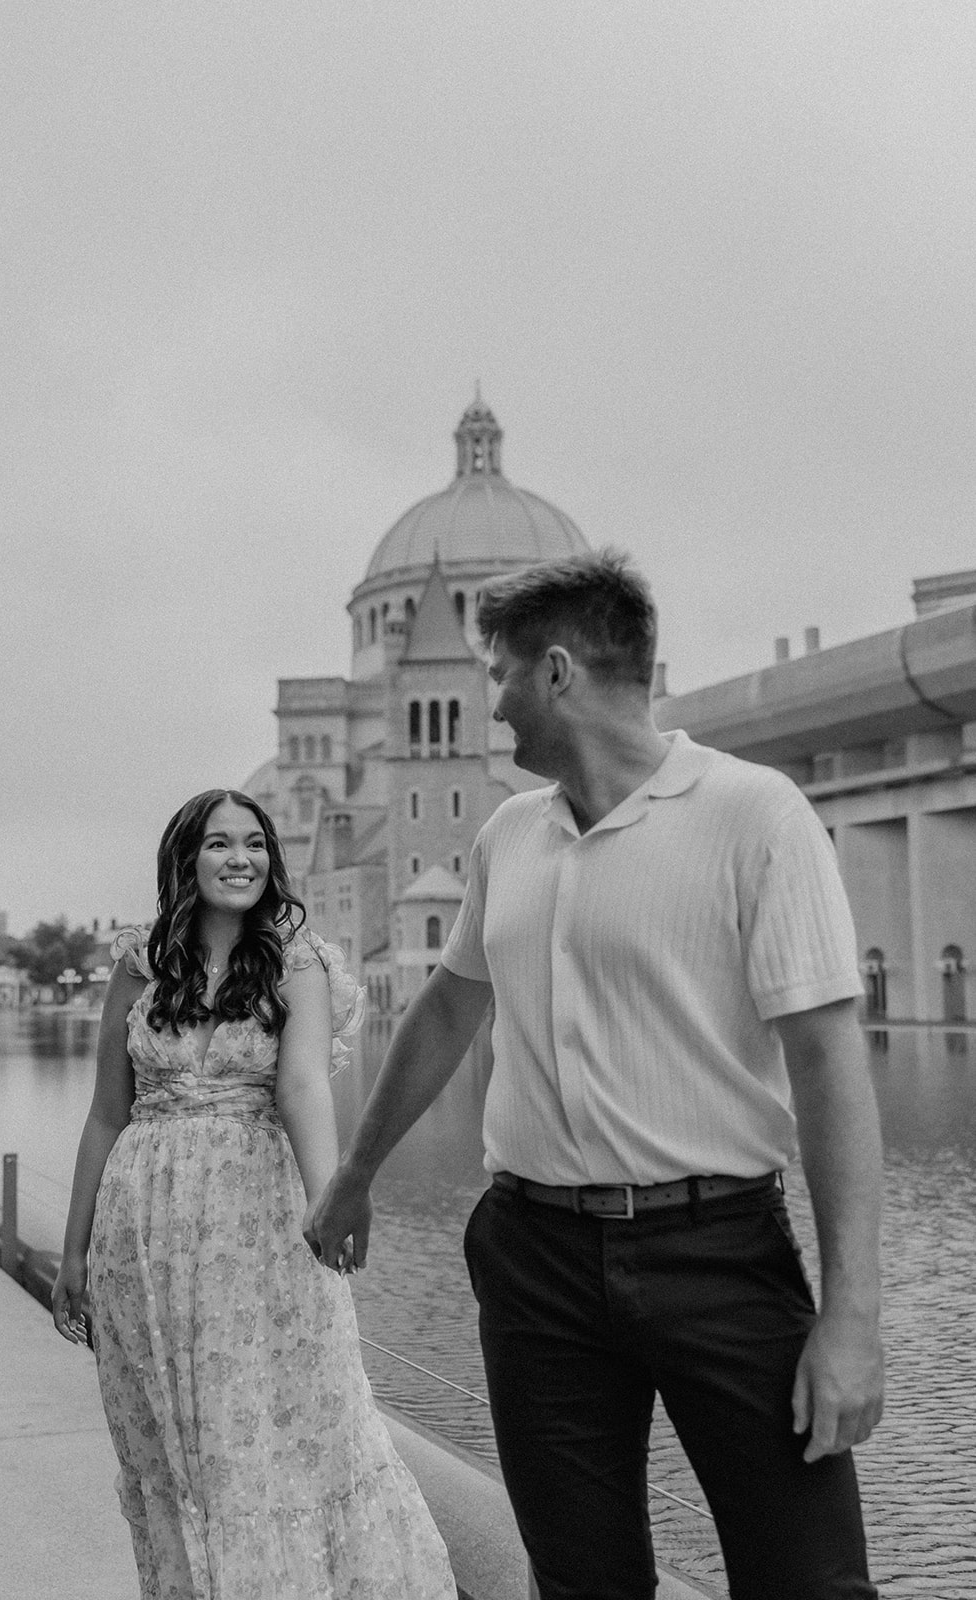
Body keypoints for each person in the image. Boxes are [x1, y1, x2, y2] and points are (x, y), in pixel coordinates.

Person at [310, 551, 885, 1600]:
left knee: (809, 1583)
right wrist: (355, 1171)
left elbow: (827, 1065)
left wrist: (850, 1315)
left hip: (715, 1252)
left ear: (559, 671)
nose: (491, 705)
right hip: (534, 1260)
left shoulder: (754, 816)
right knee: (580, 1584)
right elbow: (445, 1011)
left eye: (502, 676)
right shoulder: (504, 836)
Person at [52, 789, 456, 1600]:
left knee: (272, 1430)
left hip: (255, 1224)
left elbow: (302, 1087)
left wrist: (332, 1199)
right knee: (170, 1438)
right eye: (218, 844)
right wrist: (73, 1251)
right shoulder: (138, 964)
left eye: (255, 844)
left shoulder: (296, 961)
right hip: (144, 1233)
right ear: (184, 859)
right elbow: (105, 1114)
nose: (240, 859)